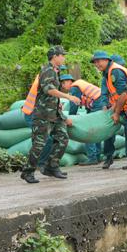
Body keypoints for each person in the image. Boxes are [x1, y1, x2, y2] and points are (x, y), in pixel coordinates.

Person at [21, 46, 75, 184]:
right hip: (43, 115)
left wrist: (60, 108)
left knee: (63, 139)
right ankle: (28, 172)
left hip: (54, 114)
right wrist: (68, 97)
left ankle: (52, 166)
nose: (64, 58)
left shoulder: (55, 71)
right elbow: (49, 90)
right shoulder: (47, 70)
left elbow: (51, 96)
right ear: (55, 56)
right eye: (62, 55)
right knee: (39, 144)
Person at [91, 50, 127, 170]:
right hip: (121, 103)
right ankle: (119, 158)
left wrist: (116, 113)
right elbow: (106, 94)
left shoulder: (115, 71)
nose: (97, 64)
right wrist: (107, 107)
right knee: (119, 128)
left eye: (98, 61)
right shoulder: (106, 74)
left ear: (107, 60)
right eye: (95, 62)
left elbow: (123, 94)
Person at [67, 75, 103, 165]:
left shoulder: (74, 88)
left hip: (97, 103)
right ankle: (97, 156)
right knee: (97, 131)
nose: (63, 86)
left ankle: (92, 158)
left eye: (64, 83)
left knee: (88, 130)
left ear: (69, 82)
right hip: (101, 101)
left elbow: (74, 103)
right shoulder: (80, 84)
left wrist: (71, 117)